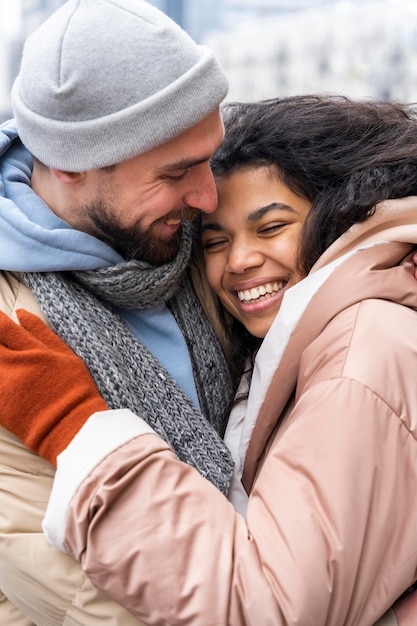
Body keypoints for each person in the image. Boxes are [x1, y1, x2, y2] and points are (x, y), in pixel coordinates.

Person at [1, 95, 417, 625]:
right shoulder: (301, 343)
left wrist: (76, 428)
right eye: (217, 241)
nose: (240, 261)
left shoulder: (363, 353)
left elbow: (262, 609)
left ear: (342, 217)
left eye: (270, 228)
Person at [0, 0, 239, 623]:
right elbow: (86, 599)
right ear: (70, 165)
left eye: (211, 156)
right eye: (178, 172)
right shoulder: (11, 335)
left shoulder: (210, 236)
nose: (209, 196)